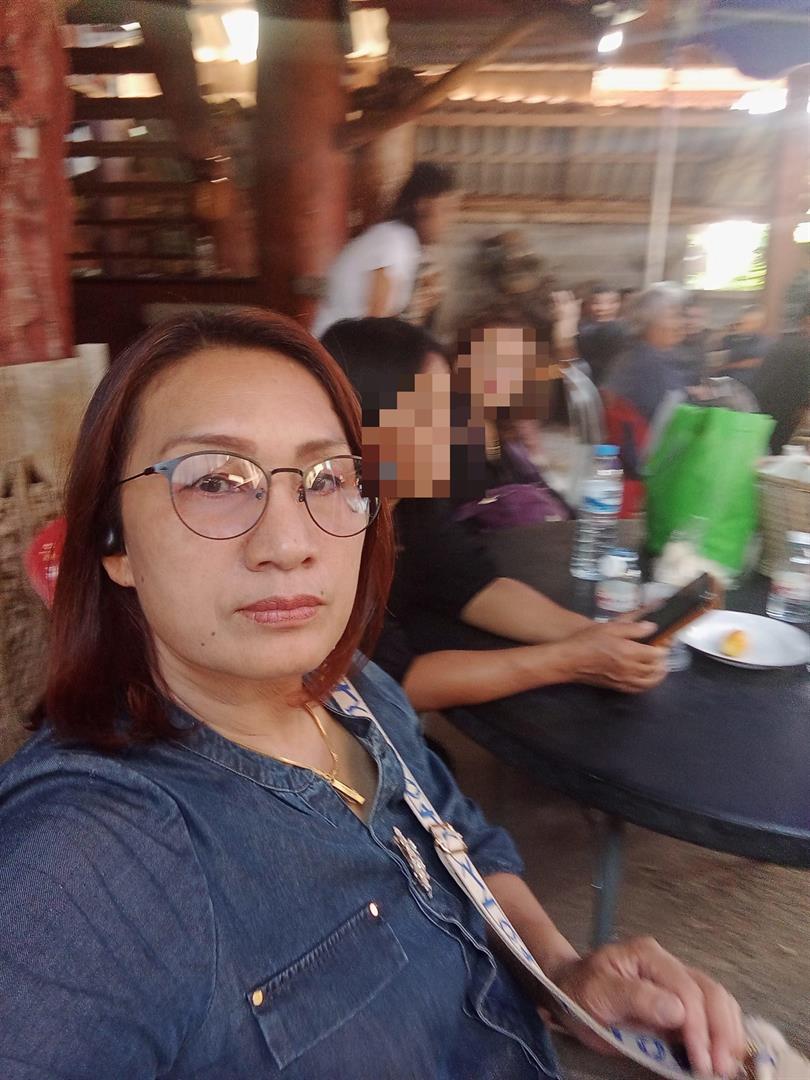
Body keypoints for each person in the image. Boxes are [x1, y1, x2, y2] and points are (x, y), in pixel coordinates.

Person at [0, 309, 747, 1079]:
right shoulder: (87, 862)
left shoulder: (356, 689)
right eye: (215, 481)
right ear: (114, 542)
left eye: (327, 478)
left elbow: (461, 841)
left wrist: (562, 973)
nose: (289, 544)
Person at [322, 317, 669, 712]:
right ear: (368, 418)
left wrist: (595, 634)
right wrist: (572, 660)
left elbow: (474, 586)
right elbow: (390, 685)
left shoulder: (412, 499)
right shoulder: (328, 528)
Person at [312, 163, 457, 338]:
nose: (449, 222)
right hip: (336, 348)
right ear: (423, 206)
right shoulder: (395, 242)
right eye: (445, 210)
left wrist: (420, 309)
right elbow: (377, 326)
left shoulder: (402, 241)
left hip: (347, 344)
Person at [602, 283, 698, 486]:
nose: (681, 323)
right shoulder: (649, 363)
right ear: (650, 321)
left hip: (636, 454)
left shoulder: (637, 355)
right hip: (653, 461)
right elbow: (670, 418)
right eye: (674, 316)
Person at [753, 298, 810, 453]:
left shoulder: (781, 345)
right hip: (784, 432)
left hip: (759, 425)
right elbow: (804, 410)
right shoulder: (804, 350)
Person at [576, 283, 629, 385]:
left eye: (611, 302)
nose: (604, 307)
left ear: (619, 303)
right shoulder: (583, 330)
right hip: (592, 381)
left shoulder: (626, 327)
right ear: (589, 304)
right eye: (597, 303)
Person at [716, 305, 771, 388]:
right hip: (729, 382)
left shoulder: (765, 342)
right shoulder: (730, 339)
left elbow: (758, 362)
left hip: (753, 384)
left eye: (754, 322)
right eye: (747, 322)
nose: (749, 325)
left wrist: (729, 366)